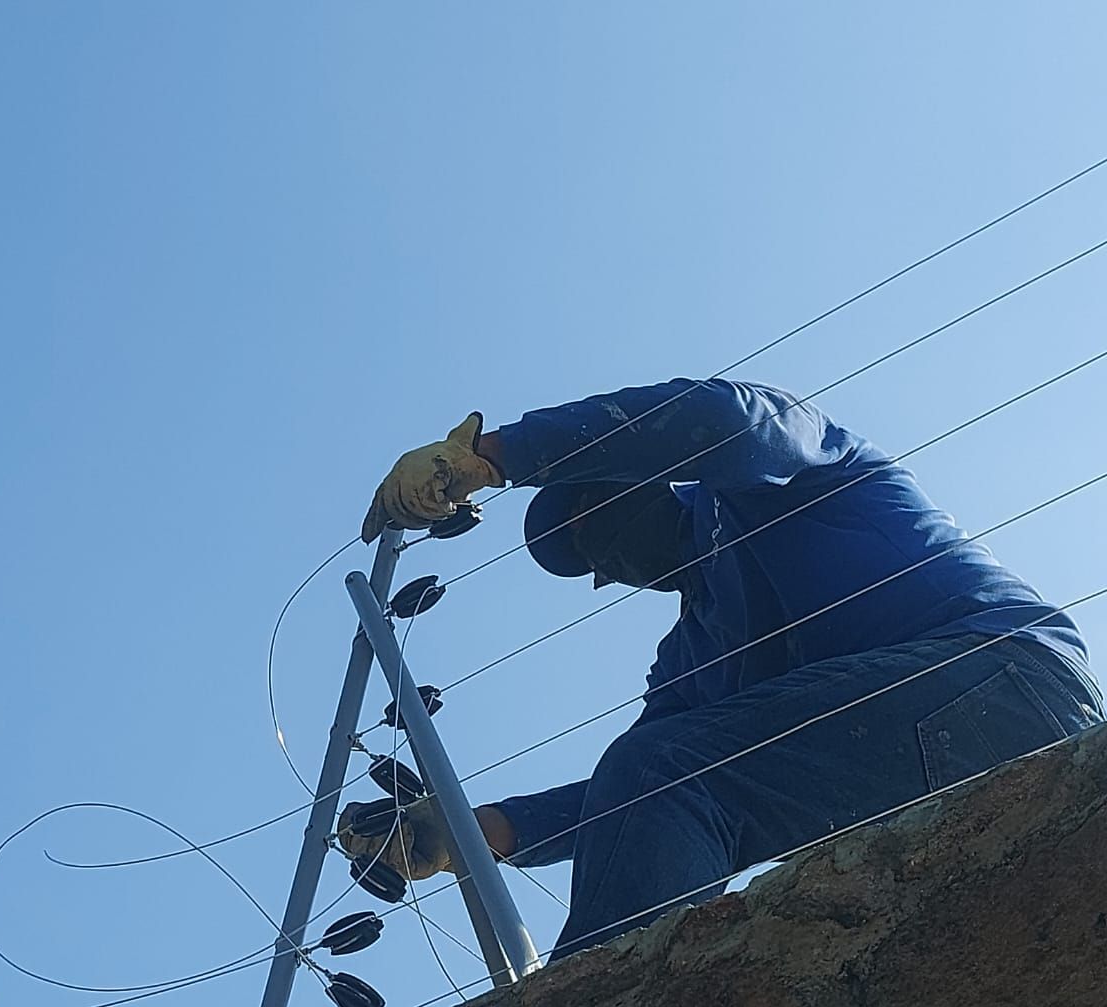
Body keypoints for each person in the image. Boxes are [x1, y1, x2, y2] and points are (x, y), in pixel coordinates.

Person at [341, 377, 1104, 963]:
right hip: (934, 750)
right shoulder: (697, 651)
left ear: (647, 487)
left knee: (663, 768)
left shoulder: (785, 472)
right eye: (595, 567)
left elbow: (722, 419)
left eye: (600, 539)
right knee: (653, 770)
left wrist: (496, 454)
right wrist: (476, 832)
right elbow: (627, 802)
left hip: (1007, 677)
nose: (611, 569)